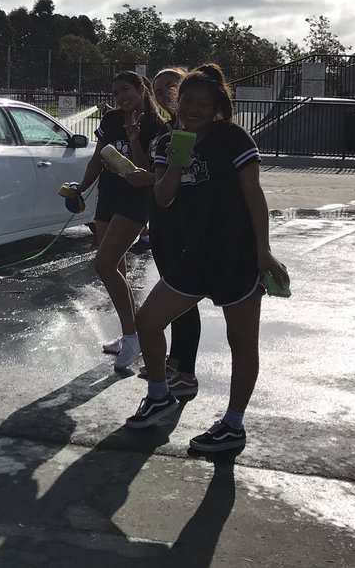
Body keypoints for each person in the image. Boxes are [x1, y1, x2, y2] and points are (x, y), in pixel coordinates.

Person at [125, 64, 289, 454]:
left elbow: (254, 194)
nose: (194, 109)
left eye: (203, 103)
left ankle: (233, 424)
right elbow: (163, 198)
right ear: (175, 102)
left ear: (218, 108)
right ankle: (160, 393)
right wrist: (177, 162)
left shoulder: (233, 138)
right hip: (196, 254)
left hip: (237, 255)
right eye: (187, 101)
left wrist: (263, 250)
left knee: (242, 342)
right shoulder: (165, 144)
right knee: (147, 321)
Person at [74, 71, 168, 371]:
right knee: (117, 269)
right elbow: (97, 158)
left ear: (142, 88)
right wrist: (80, 188)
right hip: (108, 197)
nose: (120, 97)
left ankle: (132, 337)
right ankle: (131, 334)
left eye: (125, 90)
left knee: (103, 264)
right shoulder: (111, 120)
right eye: (115, 93)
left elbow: (145, 170)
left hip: (135, 201)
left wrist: (135, 139)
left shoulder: (157, 126)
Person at [135, 67, 201, 398]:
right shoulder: (165, 134)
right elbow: (157, 181)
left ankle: (184, 370)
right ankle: (172, 362)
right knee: (171, 296)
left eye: (170, 87)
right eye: (158, 90)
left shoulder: (202, 135)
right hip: (163, 223)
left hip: (186, 227)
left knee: (183, 301)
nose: (163, 95)